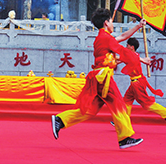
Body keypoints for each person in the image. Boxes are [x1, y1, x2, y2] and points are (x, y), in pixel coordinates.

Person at [51, 8, 146, 149]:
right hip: (104, 78)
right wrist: (139, 59)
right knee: (119, 104)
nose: (113, 24)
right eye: (112, 22)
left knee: (90, 110)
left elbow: (123, 37)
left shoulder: (103, 38)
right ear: (106, 22)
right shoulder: (106, 38)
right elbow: (123, 51)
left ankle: (61, 120)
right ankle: (124, 137)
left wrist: (138, 26)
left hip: (99, 77)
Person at [120, 37, 166, 128]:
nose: (126, 47)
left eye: (127, 45)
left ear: (132, 47)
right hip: (134, 82)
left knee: (146, 104)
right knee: (126, 100)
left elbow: (121, 58)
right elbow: (124, 58)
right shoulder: (133, 55)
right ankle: (124, 121)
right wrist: (143, 60)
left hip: (137, 83)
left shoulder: (132, 55)